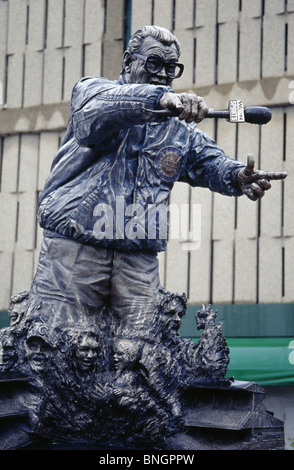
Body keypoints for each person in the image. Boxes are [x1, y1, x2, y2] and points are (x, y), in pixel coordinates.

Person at [30, 25, 287, 335]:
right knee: (56, 345)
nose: (162, 73)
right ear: (128, 62)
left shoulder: (177, 129)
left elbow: (208, 162)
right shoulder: (93, 94)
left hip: (138, 259)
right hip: (75, 250)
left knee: (146, 352)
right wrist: (160, 99)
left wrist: (236, 176)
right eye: (153, 63)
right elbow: (98, 111)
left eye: (170, 67)